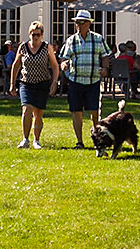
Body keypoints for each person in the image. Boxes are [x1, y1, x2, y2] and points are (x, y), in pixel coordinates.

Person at [59, 10, 112, 149]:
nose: (78, 25)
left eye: (81, 22)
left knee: (94, 111)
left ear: (88, 24)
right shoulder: (71, 40)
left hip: (93, 81)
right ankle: (79, 142)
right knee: (76, 111)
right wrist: (64, 65)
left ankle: (97, 139)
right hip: (75, 81)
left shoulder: (98, 39)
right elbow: (64, 58)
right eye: (76, 22)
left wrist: (105, 69)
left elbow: (105, 55)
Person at [10, 21, 60, 149]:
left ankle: (36, 140)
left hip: (42, 83)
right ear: (29, 34)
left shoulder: (46, 47)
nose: (35, 37)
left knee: (38, 114)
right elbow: (16, 65)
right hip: (26, 83)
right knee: (26, 109)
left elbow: (55, 66)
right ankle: (25, 139)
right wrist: (12, 83)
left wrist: (54, 82)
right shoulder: (23, 47)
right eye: (33, 34)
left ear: (42, 35)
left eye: (38, 34)